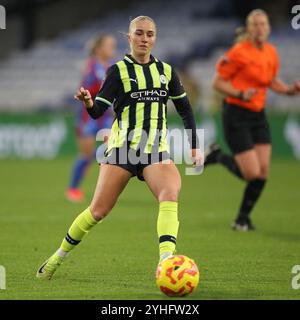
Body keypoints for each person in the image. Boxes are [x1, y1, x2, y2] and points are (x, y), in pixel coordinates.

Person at [37, 16, 202, 279]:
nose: (144, 39)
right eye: (139, 33)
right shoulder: (117, 71)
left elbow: (185, 110)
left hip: (155, 151)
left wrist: (194, 146)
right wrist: (89, 103)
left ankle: (166, 263)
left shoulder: (167, 71)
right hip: (122, 149)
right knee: (98, 211)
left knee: (170, 194)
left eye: (149, 34)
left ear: (154, 38)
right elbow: (98, 111)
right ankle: (57, 257)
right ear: (130, 38)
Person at [205, 9, 300, 231]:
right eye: (255, 24)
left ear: (268, 28)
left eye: (263, 24)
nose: (259, 28)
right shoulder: (238, 52)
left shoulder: (271, 52)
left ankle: (242, 219)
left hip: (258, 115)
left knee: (263, 172)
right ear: (249, 29)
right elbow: (218, 83)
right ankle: (218, 156)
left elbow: (270, 80)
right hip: (236, 113)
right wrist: (240, 93)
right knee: (251, 173)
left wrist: (287, 90)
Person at [66, 34, 116, 202]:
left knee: (110, 150)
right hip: (88, 117)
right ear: (99, 48)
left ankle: (104, 192)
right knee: (86, 155)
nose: (112, 49)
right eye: (109, 45)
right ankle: (72, 188)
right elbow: (85, 89)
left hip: (106, 117)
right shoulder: (91, 66)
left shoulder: (110, 67)